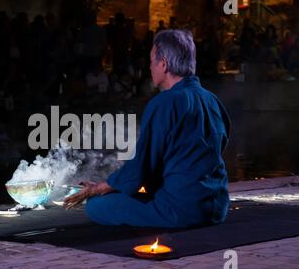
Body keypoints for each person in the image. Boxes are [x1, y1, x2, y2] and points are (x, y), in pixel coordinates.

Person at [64, 30, 232, 229]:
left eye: (152, 60)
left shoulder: (164, 103)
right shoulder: (212, 100)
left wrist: (99, 189)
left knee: (96, 206)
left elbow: (141, 167)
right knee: (129, 190)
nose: (150, 67)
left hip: (180, 210)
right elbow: (216, 149)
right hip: (217, 206)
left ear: (164, 64)